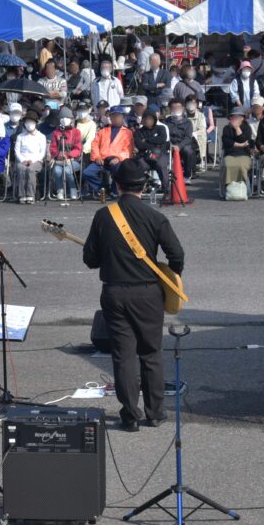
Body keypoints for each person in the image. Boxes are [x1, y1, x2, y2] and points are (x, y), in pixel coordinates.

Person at [82, 160, 185, 431]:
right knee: (151, 353)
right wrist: (171, 277)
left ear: (117, 185)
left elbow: (90, 259)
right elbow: (177, 254)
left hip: (114, 292)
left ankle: (130, 416)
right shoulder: (155, 216)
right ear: (144, 185)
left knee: (123, 356)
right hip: (148, 292)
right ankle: (155, 413)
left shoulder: (104, 216)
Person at [83, 106, 134, 199]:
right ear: (110, 117)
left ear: (122, 117)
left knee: (118, 170)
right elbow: (94, 144)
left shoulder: (127, 132)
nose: (115, 118)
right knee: (87, 173)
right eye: (113, 116)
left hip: (117, 160)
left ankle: (115, 191)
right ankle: (103, 188)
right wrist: (97, 157)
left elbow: (128, 149)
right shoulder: (103, 131)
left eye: (118, 116)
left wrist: (118, 158)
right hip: (102, 160)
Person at [12, 109, 46, 204]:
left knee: (30, 170)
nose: (29, 124)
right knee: (21, 169)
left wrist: (33, 160)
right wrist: (23, 160)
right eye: (27, 122)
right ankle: (22, 195)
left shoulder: (41, 136)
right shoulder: (20, 136)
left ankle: (30, 195)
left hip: (36, 161)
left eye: (31, 122)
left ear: (36, 123)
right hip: (22, 160)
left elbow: (42, 153)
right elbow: (16, 151)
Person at [50, 108, 83, 200]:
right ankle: (59, 190)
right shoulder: (56, 132)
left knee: (68, 170)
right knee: (57, 171)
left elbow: (78, 148)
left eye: (67, 117)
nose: (64, 119)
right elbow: (53, 148)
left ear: (72, 119)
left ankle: (73, 189)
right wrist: (59, 155)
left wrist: (68, 155)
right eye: (62, 117)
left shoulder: (76, 132)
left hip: (73, 160)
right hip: (59, 161)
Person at [220, 107, 254, 191]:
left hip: (244, 154)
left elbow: (245, 140)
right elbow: (226, 141)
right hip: (230, 153)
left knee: (242, 165)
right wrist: (240, 145)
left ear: (242, 118)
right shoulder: (226, 128)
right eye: (233, 117)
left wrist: (237, 128)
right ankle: (229, 187)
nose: (234, 119)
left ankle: (245, 187)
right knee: (228, 164)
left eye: (237, 117)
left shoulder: (247, 128)